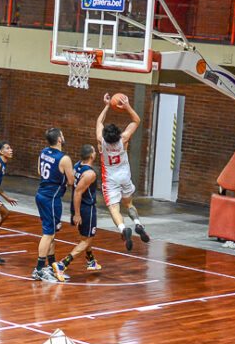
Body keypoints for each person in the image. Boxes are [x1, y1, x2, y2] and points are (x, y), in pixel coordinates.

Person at [96, 93, 149, 252]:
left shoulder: (101, 141)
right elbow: (136, 121)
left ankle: (123, 228)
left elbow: (99, 122)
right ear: (118, 134)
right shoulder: (123, 139)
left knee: (114, 208)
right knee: (129, 204)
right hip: (124, 175)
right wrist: (127, 107)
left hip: (110, 179)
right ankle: (138, 224)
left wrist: (107, 106)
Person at [52, 144, 102, 282]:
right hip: (86, 208)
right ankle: (62, 264)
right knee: (86, 240)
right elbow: (78, 193)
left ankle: (91, 260)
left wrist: (75, 211)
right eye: (94, 151)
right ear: (91, 155)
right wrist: (78, 214)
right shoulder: (90, 174)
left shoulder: (77, 166)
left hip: (77, 206)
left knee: (86, 237)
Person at [33, 127, 74, 282]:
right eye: (62, 135)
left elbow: (39, 171)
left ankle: (51, 266)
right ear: (59, 139)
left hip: (41, 194)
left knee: (51, 232)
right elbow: (71, 181)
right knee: (48, 233)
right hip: (51, 198)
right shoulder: (64, 159)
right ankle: (38, 270)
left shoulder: (43, 152)